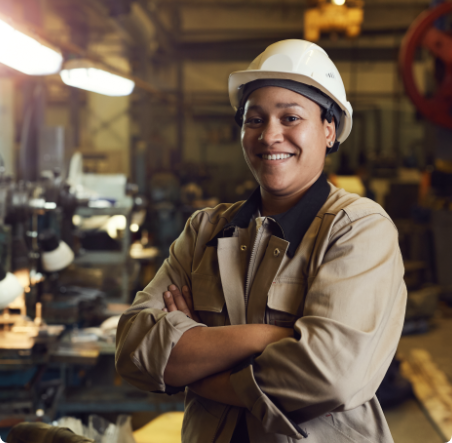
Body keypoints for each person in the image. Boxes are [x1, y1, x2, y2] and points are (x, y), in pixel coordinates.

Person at [116, 39, 407, 443]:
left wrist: (200, 368)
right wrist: (266, 336)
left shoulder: (357, 228)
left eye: (290, 118)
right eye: (254, 119)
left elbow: (329, 375)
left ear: (329, 129)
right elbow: (133, 349)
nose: (270, 135)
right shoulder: (205, 230)